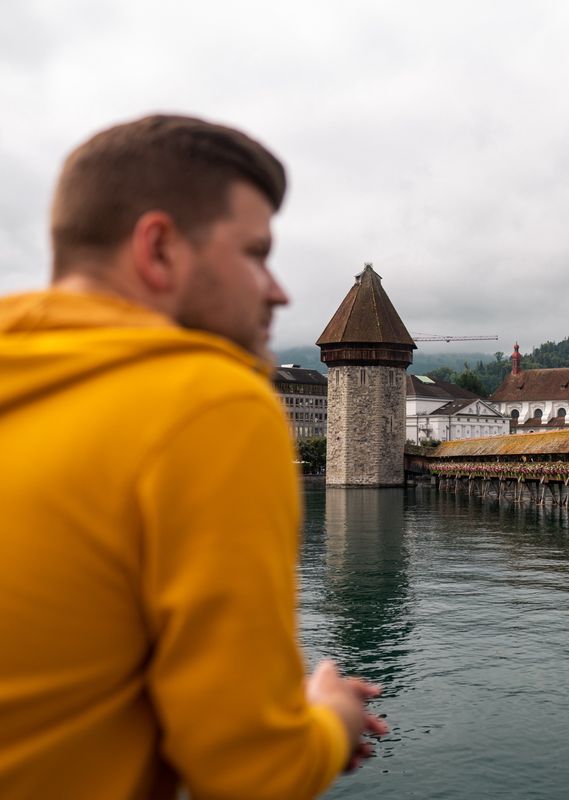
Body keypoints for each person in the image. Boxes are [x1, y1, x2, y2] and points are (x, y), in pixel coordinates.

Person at [0, 115, 385, 798]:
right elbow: (251, 774)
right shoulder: (208, 402)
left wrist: (246, 690)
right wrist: (330, 719)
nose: (279, 291)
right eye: (255, 254)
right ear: (159, 248)